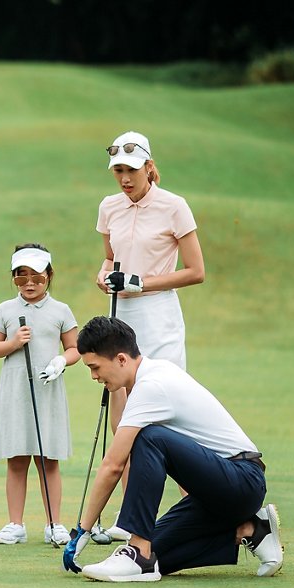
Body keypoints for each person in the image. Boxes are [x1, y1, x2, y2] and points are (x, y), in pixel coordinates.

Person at [70, 316, 283, 582]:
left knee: (150, 437)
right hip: (217, 494)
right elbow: (120, 434)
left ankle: (137, 551)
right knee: (158, 558)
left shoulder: (152, 386)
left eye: (95, 367)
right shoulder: (147, 378)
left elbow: (114, 462)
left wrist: (83, 530)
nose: (93, 376)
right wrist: (115, 386)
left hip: (241, 481)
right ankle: (251, 528)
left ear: (122, 359)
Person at [94, 130, 205, 540]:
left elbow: (195, 271)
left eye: (131, 170)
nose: (124, 178)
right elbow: (109, 258)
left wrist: (144, 282)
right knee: (123, 416)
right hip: (121, 318)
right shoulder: (109, 208)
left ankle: (201, 510)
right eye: (118, 171)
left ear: (148, 167)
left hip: (159, 317)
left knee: (168, 418)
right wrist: (104, 276)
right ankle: (129, 521)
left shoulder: (174, 206)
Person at [0, 244, 81, 546]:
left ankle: (54, 524)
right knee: (16, 459)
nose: (29, 283)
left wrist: (61, 361)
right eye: (20, 276)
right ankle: (16, 524)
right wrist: (13, 343)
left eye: (37, 277)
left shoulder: (60, 310)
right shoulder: (6, 309)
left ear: (49, 276)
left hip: (47, 389)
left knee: (47, 459)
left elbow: (76, 348)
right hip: (16, 391)